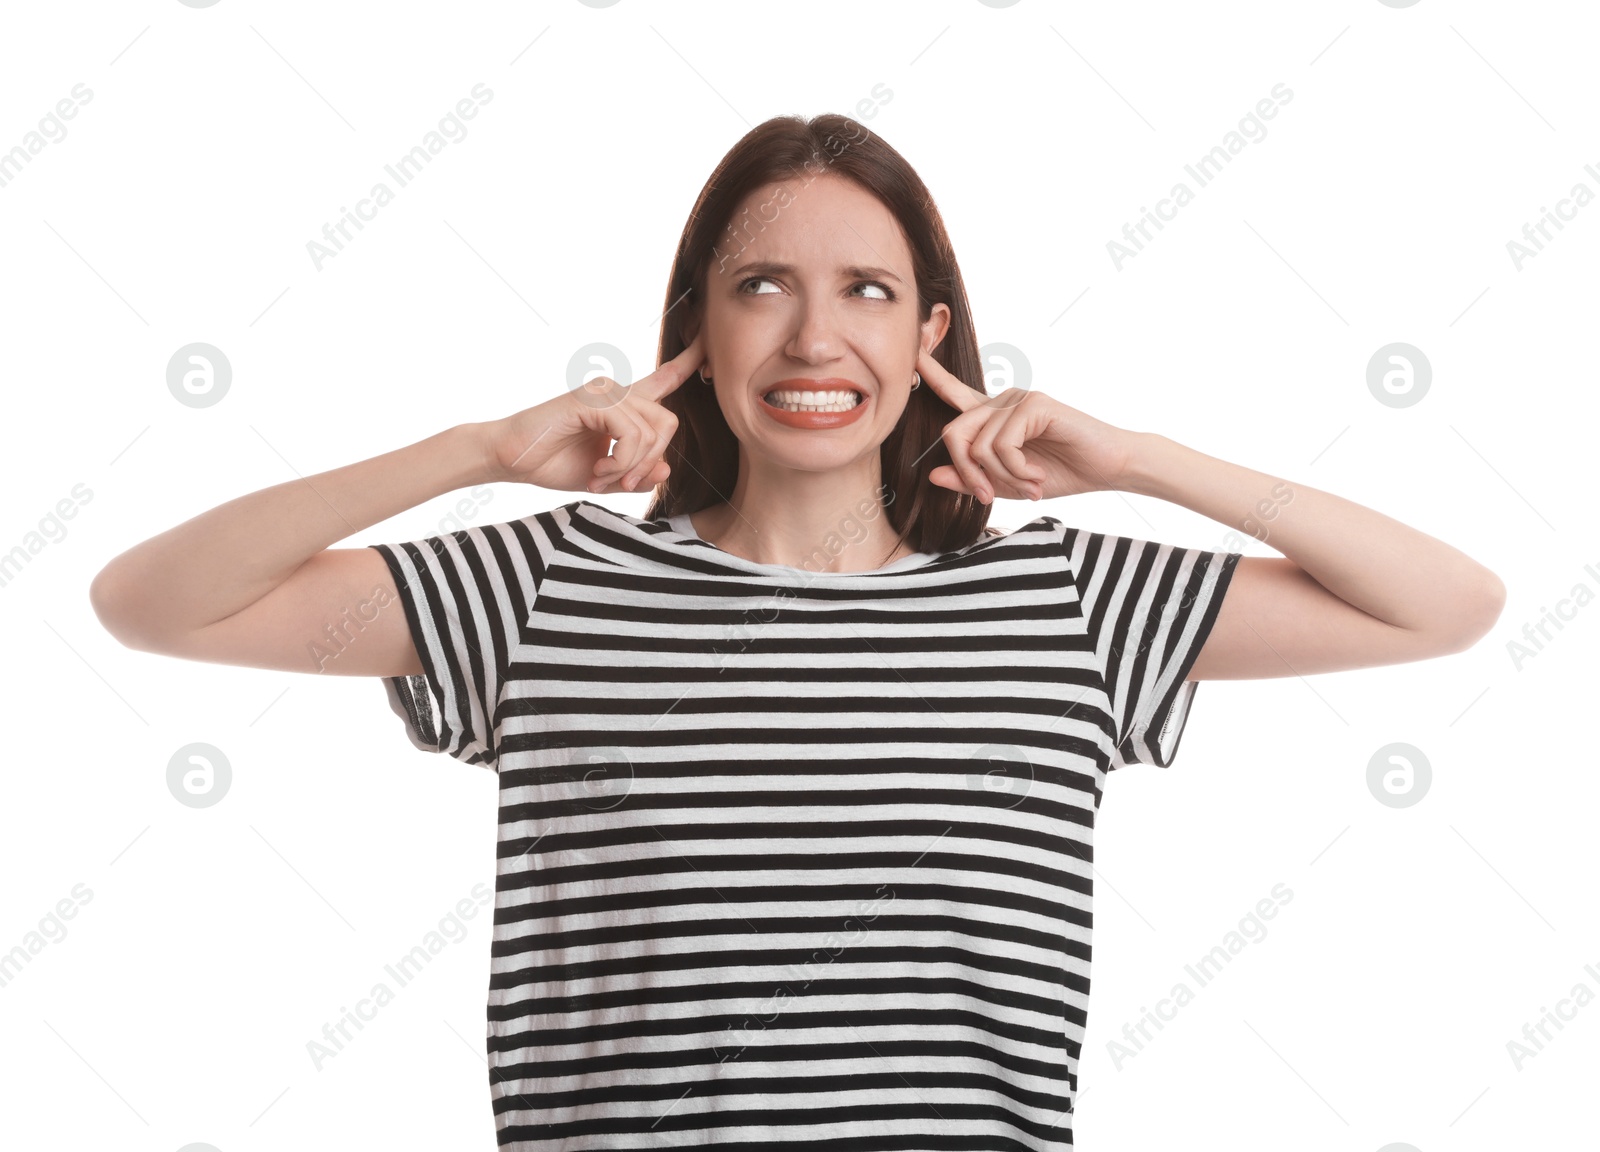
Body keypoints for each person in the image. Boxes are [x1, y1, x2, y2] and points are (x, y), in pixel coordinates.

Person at [88, 113, 1504, 1149]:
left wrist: (1139, 458)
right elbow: (154, 603)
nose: (815, 340)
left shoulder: (1065, 602)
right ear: (694, 327)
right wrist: (475, 452)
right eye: (762, 286)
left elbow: (1445, 603)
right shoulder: (542, 591)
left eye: (867, 293)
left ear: (933, 336)